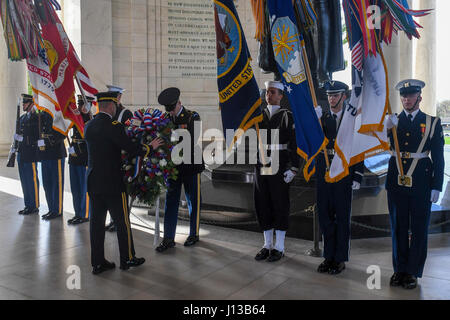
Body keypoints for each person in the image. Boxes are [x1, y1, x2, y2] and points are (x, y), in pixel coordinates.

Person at [85, 91, 163, 274]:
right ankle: (127, 258)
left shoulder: (89, 125)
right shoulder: (114, 126)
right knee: (122, 222)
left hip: (93, 181)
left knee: (96, 224)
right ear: (111, 106)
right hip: (112, 183)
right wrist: (149, 148)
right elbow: (131, 148)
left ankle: (97, 263)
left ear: (98, 105)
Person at [385, 79, 445, 289]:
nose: (406, 99)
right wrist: (384, 130)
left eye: (410, 95)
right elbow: (379, 147)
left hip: (421, 181)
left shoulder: (432, 122)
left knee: (419, 227)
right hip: (396, 181)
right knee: (398, 227)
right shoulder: (391, 122)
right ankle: (399, 269)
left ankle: (413, 272)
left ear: (419, 97)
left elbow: (438, 156)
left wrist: (437, 185)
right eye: (403, 95)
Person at [314, 81, 364, 275]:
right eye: (329, 95)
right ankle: (328, 257)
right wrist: (314, 123)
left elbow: (358, 147)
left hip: (344, 174)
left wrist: (357, 175)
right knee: (325, 217)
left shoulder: (351, 119)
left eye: (335, 95)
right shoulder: (322, 118)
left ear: (344, 96)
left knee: (342, 218)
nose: (331, 99)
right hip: (325, 173)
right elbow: (316, 144)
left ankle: (340, 258)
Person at [253, 81, 300, 262]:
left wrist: (294, 168)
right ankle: (267, 245)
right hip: (261, 164)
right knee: (262, 202)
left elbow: (294, 144)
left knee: (279, 203)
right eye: (267, 92)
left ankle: (279, 246)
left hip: (279, 165)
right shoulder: (258, 115)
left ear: (280, 95)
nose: (268, 95)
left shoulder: (287, 116)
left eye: (272, 92)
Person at [155, 87, 205, 252]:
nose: (171, 113)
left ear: (179, 103)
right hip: (173, 167)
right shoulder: (165, 118)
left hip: (191, 165)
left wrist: (169, 141)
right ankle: (168, 238)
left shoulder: (193, 116)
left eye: (173, 108)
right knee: (171, 201)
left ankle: (194, 234)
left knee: (193, 201)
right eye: (168, 110)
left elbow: (191, 139)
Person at [104, 84, 133, 232]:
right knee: (110, 191)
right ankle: (113, 219)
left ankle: (122, 220)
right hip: (109, 157)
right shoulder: (108, 113)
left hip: (121, 158)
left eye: (114, 96)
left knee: (121, 193)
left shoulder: (125, 113)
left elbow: (129, 135)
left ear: (119, 97)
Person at [67, 95, 93, 225]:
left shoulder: (90, 120)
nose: (80, 107)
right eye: (79, 104)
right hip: (74, 157)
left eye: (83, 104)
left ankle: (85, 214)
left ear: (88, 105)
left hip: (84, 158)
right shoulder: (76, 119)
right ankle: (77, 213)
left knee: (84, 188)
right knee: (75, 188)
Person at [39, 105, 67, 220]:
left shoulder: (58, 114)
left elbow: (63, 133)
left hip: (56, 153)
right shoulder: (43, 114)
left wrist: (50, 141)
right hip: (45, 153)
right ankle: (51, 208)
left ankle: (57, 210)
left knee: (57, 183)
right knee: (47, 183)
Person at [16, 94, 40, 215]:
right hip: (21, 152)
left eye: (25, 103)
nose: (23, 105)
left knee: (32, 180)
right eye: (23, 103)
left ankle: (34, 205)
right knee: (24, 181)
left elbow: (36, 136)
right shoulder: (22, 118)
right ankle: (28, 204)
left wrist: (24, 138)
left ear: (31, 104)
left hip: (31, 153)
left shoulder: (37, 118)